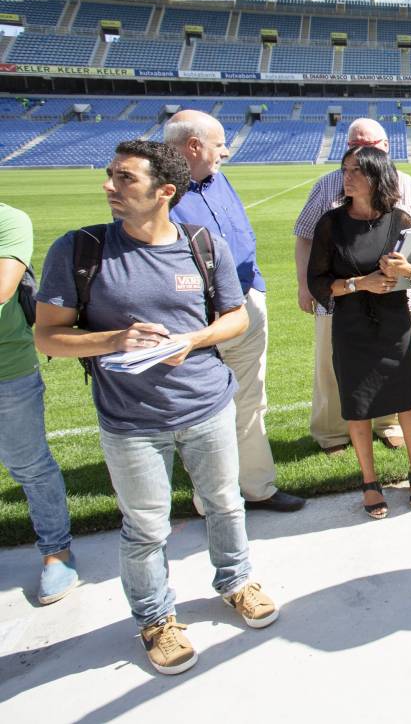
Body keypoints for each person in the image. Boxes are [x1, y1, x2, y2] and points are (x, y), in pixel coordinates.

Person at [34, 140, 278, 676]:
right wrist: (115, 339)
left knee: (225, 503)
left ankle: (236, 581)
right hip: (131, 422)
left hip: (207, 405)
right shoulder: (79, 250)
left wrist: (193, 340)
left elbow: (235, 316)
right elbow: (48, 336)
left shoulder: (202, 244)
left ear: (165, 191)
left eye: (125, 178)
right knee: (145, 527)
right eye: (111, 175)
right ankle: (156, 619)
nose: (110, 186)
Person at [163, 111, 304, 513]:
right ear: (194, 146)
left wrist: (254, 286)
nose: (225, 151)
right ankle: (214, 502)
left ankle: (258, 487)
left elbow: (239, 233)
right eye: (219, 143)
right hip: (197, 319)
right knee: (202, 410)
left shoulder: (218, 180)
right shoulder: (161, 191)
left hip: (244, 304)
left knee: (251, 399)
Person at [307, 147, 411, 518]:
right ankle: (369, 481)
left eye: (356, 171)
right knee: (357, 404)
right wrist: (359, 283)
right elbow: (317, 282)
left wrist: (406, 270)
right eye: (345, 170)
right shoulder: (331, 224)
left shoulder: (401, 219)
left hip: (395, 325)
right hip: (351, 327)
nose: (346, 178)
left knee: (406, 400)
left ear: (376, 176)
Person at [0, 202, 78, 605]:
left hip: (6, 368)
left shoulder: (8, 220)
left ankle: (56, 552)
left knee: (29, 464)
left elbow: (2, 288)